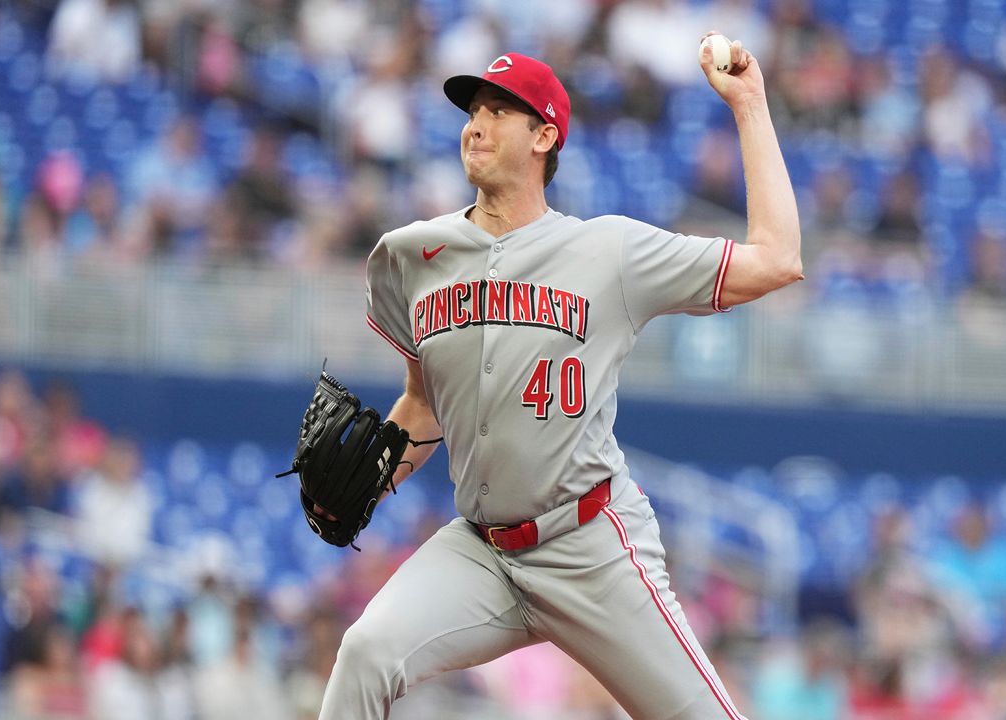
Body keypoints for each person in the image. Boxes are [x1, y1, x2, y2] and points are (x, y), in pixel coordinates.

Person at [322, 34, 801, 720]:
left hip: (591, 546)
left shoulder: (607, 250)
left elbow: (777, 258)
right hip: (480, 552)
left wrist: (750, 103)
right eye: (470, 109)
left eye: (497, 109)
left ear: (545, 135)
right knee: (367, 652)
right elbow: (423, 408)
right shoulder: (412, 257)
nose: (476, 123)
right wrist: (365, 485)